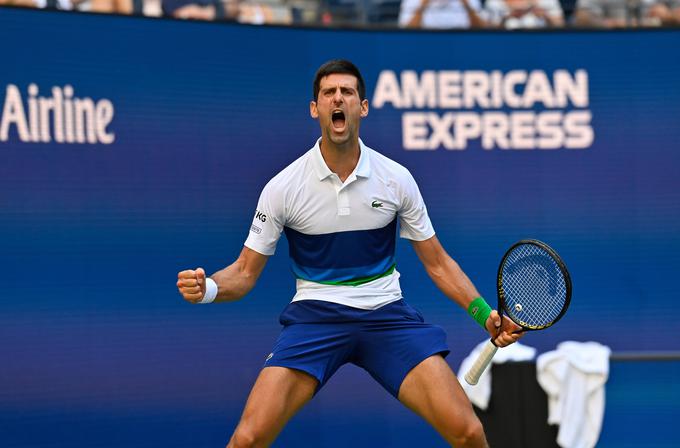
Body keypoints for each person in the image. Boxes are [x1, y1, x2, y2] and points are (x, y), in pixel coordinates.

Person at [176, 59, 523, 448]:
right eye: (328, 93)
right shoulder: (283, 187)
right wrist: (207, 287)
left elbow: (438, 263)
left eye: (347, 92)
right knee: (248, 438)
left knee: (469, 431)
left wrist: (483, 315)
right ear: (316, 108)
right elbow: (243, 273)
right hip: (316, 319)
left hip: (386, 316)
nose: (337, 99)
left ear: (362, 106)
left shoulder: (396, 179)